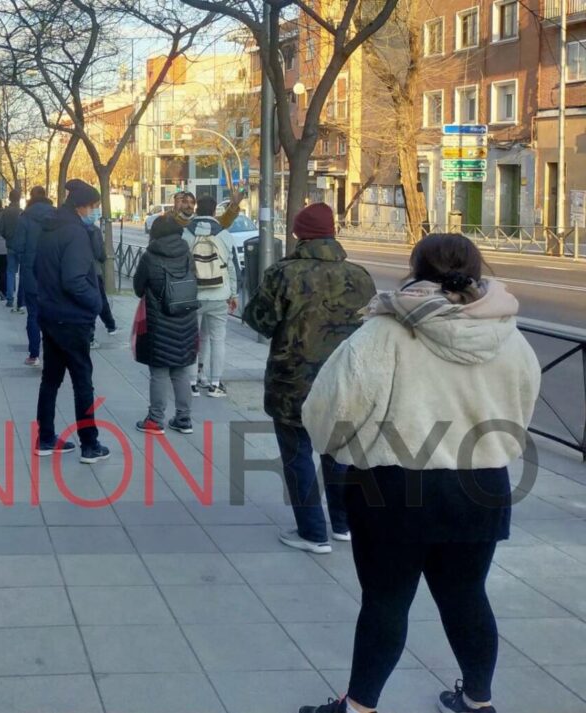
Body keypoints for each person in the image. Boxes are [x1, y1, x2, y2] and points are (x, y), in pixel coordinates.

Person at [297, 234, 541, 713]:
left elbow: (329, 406)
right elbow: (523, 405)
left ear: (415, 269)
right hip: (481, 485)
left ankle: (360, 707)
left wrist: (341, 448)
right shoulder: (509, 336)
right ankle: (477, 700)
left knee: (386, 600)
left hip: (394, 484)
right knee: (468, 595)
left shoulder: (384, 333)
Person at [243, 202, 376, 554]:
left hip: (294, 382)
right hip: (347, 381)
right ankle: (344, 524)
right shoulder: (360, 276)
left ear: (300, 234)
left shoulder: (283, 274)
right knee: (338, 451)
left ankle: (312, 532)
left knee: (297, 453)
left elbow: (260, 321)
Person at [34, 179, 110, 464]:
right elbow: (75, 280)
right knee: (82, 382)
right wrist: (96, 303)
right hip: (73, 319)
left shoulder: (49, 229)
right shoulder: (75, 234)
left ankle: (45, 437)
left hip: (51, 315)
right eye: (93, 207)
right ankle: (89, 444)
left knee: (50, 380)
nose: (95, 213)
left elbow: (36, 269)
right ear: (82, 207)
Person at [133, 215, 199, 435]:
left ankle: (155, 419)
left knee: (159, 371)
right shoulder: (187, 254)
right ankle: (184, 418)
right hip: (186, 318)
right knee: (181, 370)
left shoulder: (150, 257)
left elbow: (138, 288)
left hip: (159, 321)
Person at [185, 195, 237, 397]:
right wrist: (233, 293)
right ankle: (215, 384)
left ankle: (192, 383)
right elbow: (232, 267)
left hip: (193, 295)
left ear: (197, 209)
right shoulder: (224, 234)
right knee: (217, 339)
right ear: (215, 211)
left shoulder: (186, 233)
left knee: (193, 338)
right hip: (219, 294)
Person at [15, 186, 54, 367]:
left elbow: (17, 246)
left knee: (33, 314)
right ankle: (53, 354)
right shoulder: (57, 216)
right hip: (53, 273)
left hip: (31, 272)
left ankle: (34, 355)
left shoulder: (25, 217)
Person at [88, 223, 118, 348]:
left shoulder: (68, 226)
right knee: (98, 300)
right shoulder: (93, 229)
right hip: (93, 270)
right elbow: (99, 252)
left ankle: (109, 325)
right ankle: (92, 336)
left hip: (75, 271)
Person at [166, 188, 241, 230]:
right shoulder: (172, 221)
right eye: (185, 202)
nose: (189, 205)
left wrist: (234, 205)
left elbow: (225, 220)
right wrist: (176, 210)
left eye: (192, 202)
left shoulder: (206, 222)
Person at [0, 188, 24, 311]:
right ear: (19, 199)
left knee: (10, 272)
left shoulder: (6, 212)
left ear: (9, 198)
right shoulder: (22, 212)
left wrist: (8, 238)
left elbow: (1, 230)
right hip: (22, 246)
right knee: (23, 273)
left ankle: (10, 299)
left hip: (10, 245)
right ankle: (21, 301)